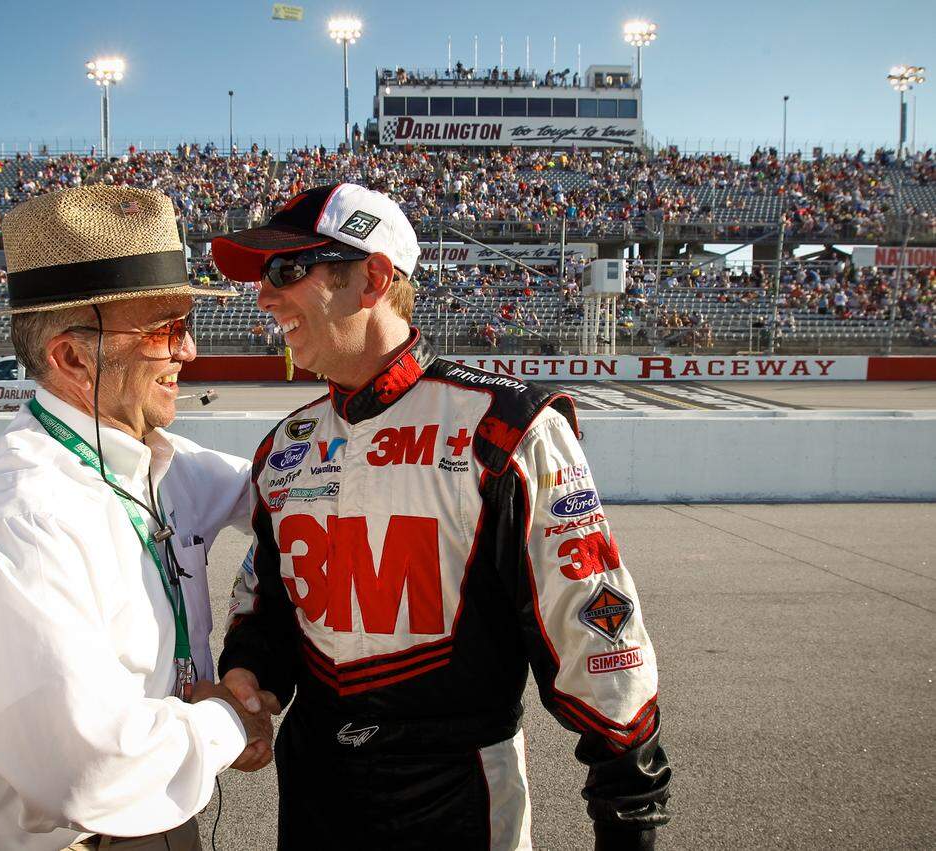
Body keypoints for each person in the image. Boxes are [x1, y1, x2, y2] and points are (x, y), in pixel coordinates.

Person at [210, 183, 672, 849]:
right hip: (314, 791)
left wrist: (630, 813)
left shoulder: (505, 427)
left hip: (455, 795)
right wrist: (248, 673)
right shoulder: (286, 446)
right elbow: (269, 604)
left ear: (371, 278)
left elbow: (597, 636)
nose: (264, 295)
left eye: (286, 270)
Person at [0, 185, 280, 851]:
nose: (188, 353)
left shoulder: (157, 458)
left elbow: (287, 497)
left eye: (186, 324)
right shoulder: (20, 520)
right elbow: (90, 769)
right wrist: (227, 718)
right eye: (165, 330)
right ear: (72, 357)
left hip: (154, 820)